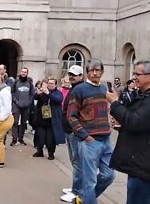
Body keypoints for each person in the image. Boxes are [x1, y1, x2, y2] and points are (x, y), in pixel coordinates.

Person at [106, 60, 150, 204]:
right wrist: (122, 125)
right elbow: (140, 122)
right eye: (133, 74)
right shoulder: (145, 95)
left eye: (137, 74)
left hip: (145, 163)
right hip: (139, 160)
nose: (134, 77)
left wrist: (114, 104)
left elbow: (135, 122)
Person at [67, 59, 115, 204]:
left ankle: (83, 199)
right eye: (92, 70)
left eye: (97, 70)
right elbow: (71, 116)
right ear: (87, 72)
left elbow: (108, 108)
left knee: (109, 175)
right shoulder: (80, 89)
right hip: (90, 141)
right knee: (89, 181)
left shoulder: (103, 89)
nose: (95, 73)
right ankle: (88, 199)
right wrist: (85, 136)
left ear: (102, 72)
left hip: (105, 139)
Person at [60, 65, 85, 203]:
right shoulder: (73, 89)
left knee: (77, 162)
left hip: (75, 131)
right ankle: (75, 187)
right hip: (69, 130)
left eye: (74, 75)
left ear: (81, 76)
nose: (71, 77)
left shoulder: (80, 89)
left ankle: (78, 191)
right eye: (70, 74)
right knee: (74, 160)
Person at [32, 78, 65, 160]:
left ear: (55, 85)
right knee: (40, 137)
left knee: (50, 139)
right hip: (41, 119)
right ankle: (39, 151)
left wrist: (48, 94)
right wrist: (38, 92)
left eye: (52, 83)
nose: (50, 85)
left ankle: (51, 153)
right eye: (49, 83)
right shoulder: (43, 92)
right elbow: (35, 97)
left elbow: (58, 100)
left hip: (52, 120)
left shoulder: (58, 93)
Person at [10, 67, 34, 146]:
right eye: (22, 72)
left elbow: (32, 94)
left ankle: (21, 138)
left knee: (24, 123)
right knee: (15, 122)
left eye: (25, 72)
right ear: (20, 73)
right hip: (17, 105)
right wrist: (16, 101)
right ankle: (14, 139)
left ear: (27, 73)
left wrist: (29, 102)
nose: (23, 73)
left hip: (26, 106)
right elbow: (12, 93)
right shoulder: (16, 82)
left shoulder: (29, 83)